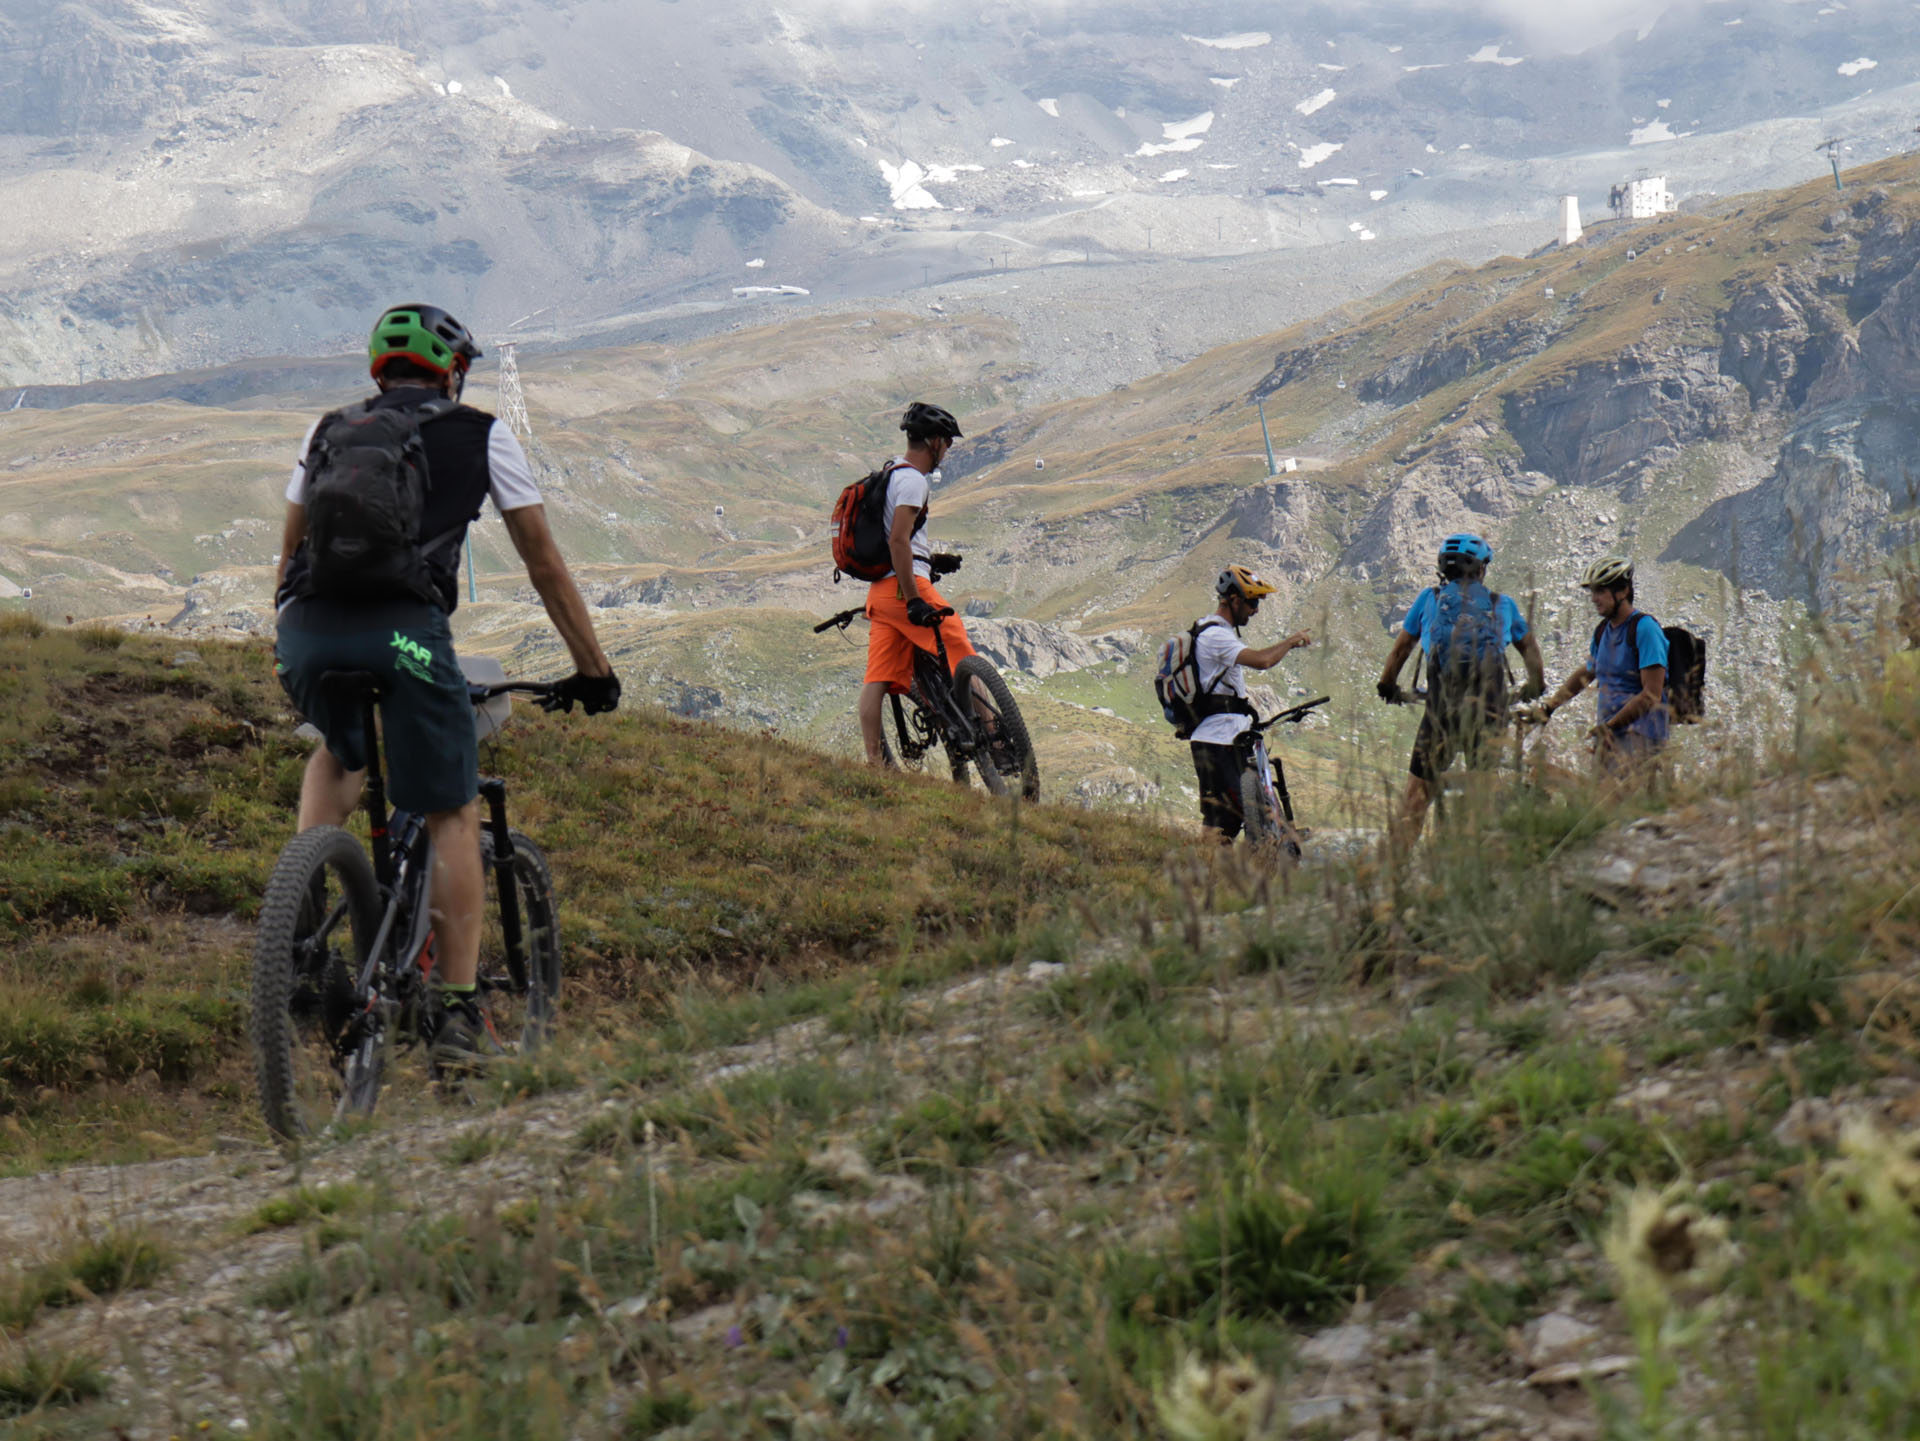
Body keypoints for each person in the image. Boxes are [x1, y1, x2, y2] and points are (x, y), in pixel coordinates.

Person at [272, 303, 620, 1065]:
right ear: (452, 372)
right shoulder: (480, 433)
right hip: (403, 634)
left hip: (305, 632)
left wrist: (294, 639)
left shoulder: (329, 429)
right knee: (452, 811)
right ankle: (459, 1012)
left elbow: (292, 549)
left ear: (380, 370)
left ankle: (297, 949)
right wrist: (594, 669)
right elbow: (543, 561)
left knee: (339, 749)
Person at [1377, 533, 1544, 840]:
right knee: (1483, 788)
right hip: (1488, 715)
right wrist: (1536, 685)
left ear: (1444, 569)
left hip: (1441, 714)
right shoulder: (1502, 604)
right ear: (1481, 569)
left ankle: (1397, 862)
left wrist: (1387, 685)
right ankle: (1483, 856)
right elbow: (1530, 650)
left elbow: (1400, 650)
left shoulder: (1429, 599)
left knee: (1416, 795)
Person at [858, 402, 978, 765]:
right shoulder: (913, 480)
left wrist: (931, 559)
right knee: (963, 653)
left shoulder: (891, 473)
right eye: (948, 443)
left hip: (880, 594)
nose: (948, 450)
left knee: (877, 680)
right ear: (934, 442)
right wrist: (913, 598)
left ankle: (876, 764)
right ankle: (998, 742)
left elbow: (899, 540)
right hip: (902, 590)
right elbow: (898, 540)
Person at [1188, 565, 1312, 843]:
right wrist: (1290, 642)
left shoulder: (1212, 631)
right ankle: (1264, 857)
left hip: (1218, 738)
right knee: (1239, 819)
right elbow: (1262, 661)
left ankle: (1208, 870)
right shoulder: (1215, 636)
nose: (1255, 610)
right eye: (1252, 602)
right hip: (1221, 740)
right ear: (1233, 600)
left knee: (1222, 823)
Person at [1526, 554, 1667, 774]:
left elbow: (1651, 694)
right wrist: (1549, 707)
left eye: (1600, 591)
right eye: (1592, 591)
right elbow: (1587, 672)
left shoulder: (1645, 629)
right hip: (1610, 734)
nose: (1594, 598)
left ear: (1623, 591)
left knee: (1610, 796)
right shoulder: (1603, 631)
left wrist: (1610, 727)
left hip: (1641, 737)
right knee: (1592, 796)